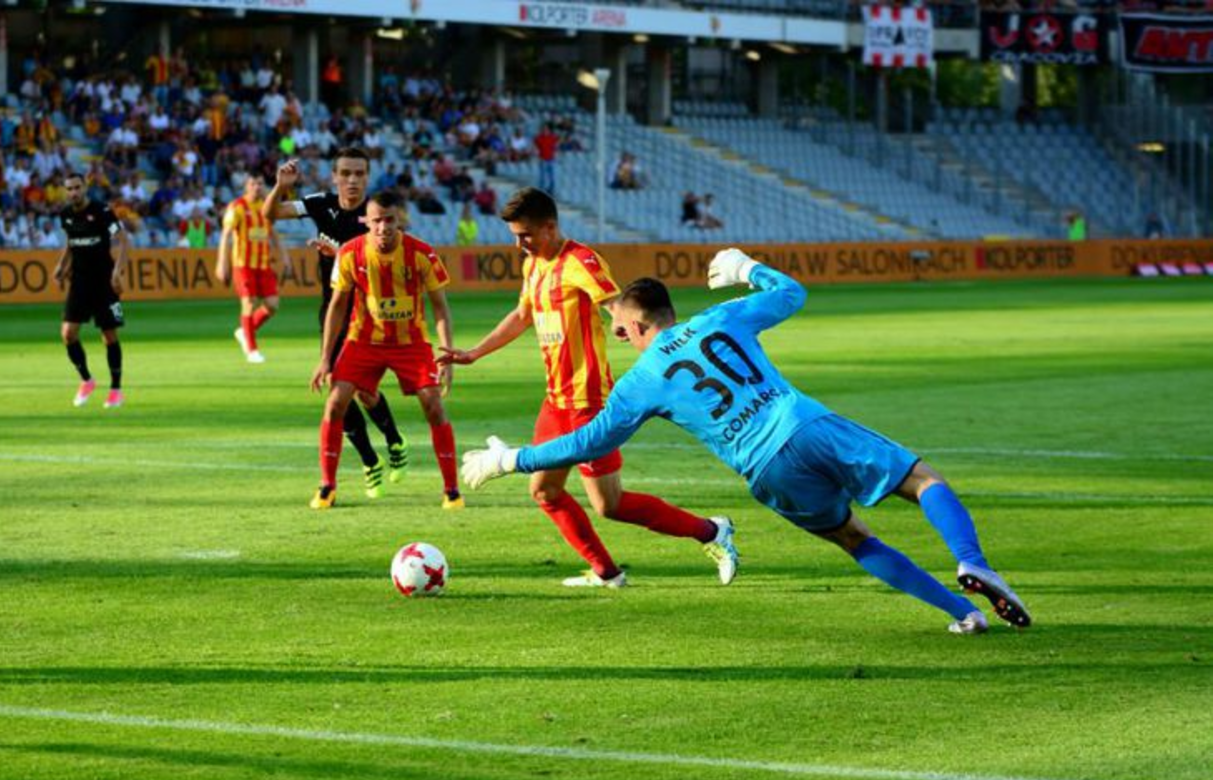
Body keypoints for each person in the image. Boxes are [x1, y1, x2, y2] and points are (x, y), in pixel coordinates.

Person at [462, 250, 1033, 634]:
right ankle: (972, 562)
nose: (620, 339)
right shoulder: (720, 318)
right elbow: (791, 293)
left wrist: (512, 459)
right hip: (804, 424)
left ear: (637, 326)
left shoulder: (640, 381)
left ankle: (963, 614)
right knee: (922, 480)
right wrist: (745, 266)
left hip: (765, 471)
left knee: (855, 539)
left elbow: (587, 442)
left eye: (619, 331)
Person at [438, 187, 737, 587]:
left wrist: (625, 325)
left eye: (525, 235)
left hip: (588, 402)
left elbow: (614, 303)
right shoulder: (533, 266)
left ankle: (712, 531)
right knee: (545, 492)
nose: (518, 244)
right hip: (556, 401)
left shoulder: (581, 260)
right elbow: (522, 314)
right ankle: (607, 573)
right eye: (515, 236)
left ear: (550, 227)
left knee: (609, 504)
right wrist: (475, 353)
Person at [262, 147, 409, 499]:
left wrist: (341, 255)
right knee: (337, 386)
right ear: (334, 177)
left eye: (359, 173)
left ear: (367, 177)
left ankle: (393, 440)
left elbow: (388, 263)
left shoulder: (376, 214)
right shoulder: (320, 204)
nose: (352, 180)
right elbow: (271, 214)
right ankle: (371, 460)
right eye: (345, 173)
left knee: (363, 391)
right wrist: (280, 186)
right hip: (333, 310)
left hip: (369, 312)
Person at [310, 190, 461, 511]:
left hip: (411, 343)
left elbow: (441, 308)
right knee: (335, 403)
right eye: (377, 220)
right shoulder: (349, 253)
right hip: (363, 341)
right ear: (366, 221)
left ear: (399, 220)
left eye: (389, 220)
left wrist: (447, 354)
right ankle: (327, 487)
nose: (383, 227)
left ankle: (452, 491)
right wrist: (325, 358)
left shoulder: (422, 253)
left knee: (433, 404)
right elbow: (337, 306)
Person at [54, 172, 130, 409]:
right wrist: (62, 265)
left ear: (85, 187)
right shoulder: (65, 215)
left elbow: (123, 240)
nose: (73, 192)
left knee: (109, 336)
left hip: (103, 281)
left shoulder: (102, 211)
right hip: (79, 281)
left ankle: (116, 390)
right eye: (69, 189)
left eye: (77, 187)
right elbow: (71, 242)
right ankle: (87, 380)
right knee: (68, 334)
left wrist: (117, 272)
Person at [216, 175, 288, 364]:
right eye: (253, 183)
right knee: (249, 302)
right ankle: (252, 350)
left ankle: (244, 332)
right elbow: (226, 234)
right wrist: (221, 262)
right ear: (246, 186)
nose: (257, 186)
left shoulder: (266, 206)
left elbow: (273, 234)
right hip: (243, 264)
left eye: (260, 183)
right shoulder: (237, 206)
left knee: (272, 305)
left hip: (263, 264)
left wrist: (285, 257)